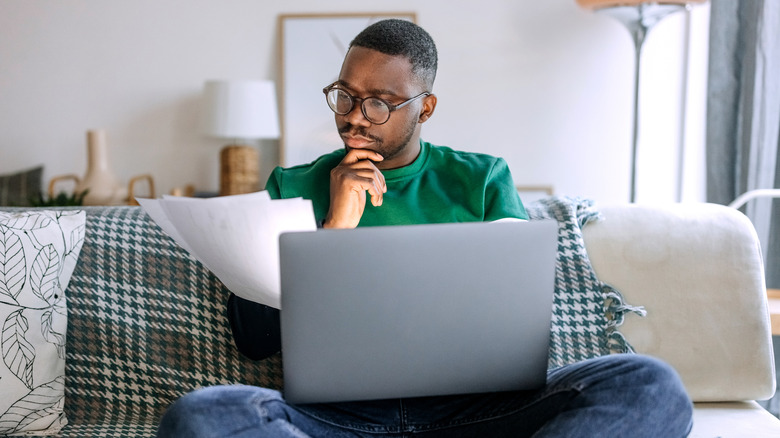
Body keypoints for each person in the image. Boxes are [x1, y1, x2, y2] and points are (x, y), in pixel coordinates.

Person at [157, 19, 693, 437]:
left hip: (479, 414)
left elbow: (516, 318)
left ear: (425, 107)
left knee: (650, 384)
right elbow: (254, 340)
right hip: (337, 420)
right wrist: (334, 227)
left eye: (379, 103)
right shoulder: (290, 184)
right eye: (344, 95)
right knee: (202, 415)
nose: (354, 116)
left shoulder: (482, 179)